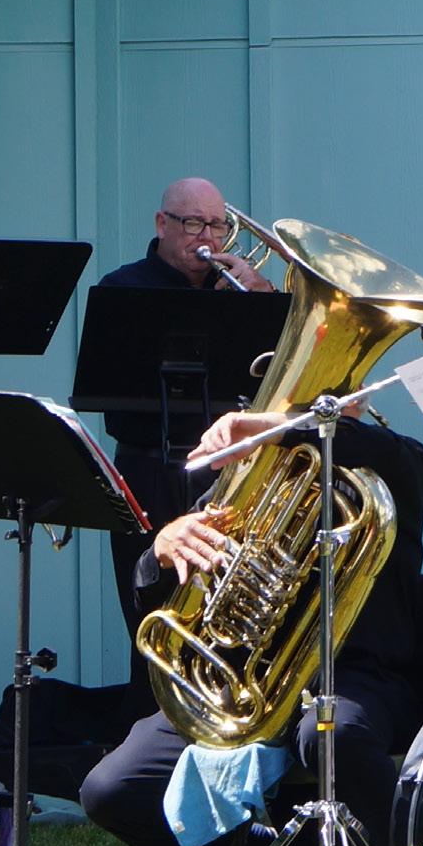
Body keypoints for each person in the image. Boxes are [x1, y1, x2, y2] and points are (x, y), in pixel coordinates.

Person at [78, 407, 423, 846]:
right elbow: (167, 599)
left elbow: (395, 452)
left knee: (333, 735)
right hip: (245, 683)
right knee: (110, 790)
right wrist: (161, 549)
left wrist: (278, 428)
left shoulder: (393, 462)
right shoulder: (247, 475)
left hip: (355, 675)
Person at [89, 178, 277, 688]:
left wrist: (263, 299)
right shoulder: (123, 288)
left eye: (218, 226)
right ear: (162, 224)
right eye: (194, 223)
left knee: (227, 614)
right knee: (150, 616)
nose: (207, 237)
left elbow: (277, 379)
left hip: (224, 474)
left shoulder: (244, 291)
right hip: (145, 470)